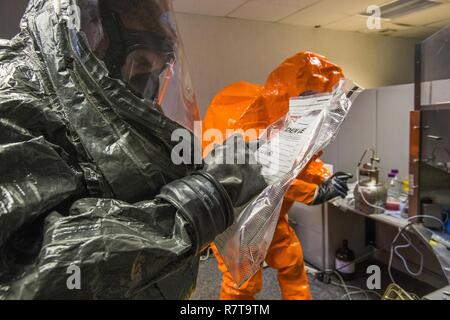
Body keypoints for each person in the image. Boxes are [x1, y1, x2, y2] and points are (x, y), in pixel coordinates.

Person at [0, 0, 267, 299]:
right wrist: (206, 199)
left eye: (158, 70)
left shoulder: (81, 103)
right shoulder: (11, 99)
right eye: (140, 64)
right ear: (87, 34)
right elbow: (29, 273)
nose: (147, 87)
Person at [203, 52, 352, 300]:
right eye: (310, 97)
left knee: (291, 263)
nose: (316, 106)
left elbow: (301, 162)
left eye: (321, 99)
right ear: (288, 93)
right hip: (238, 220)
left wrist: (323, 178)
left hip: (270, 214)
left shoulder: (295, 122)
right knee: (243, 282)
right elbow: (265, 176)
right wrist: (316, 192)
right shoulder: (250, 122)